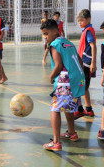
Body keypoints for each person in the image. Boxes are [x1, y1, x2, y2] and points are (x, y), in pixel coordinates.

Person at [41, 20, 85, 151]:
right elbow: (79, 60)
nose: (45, 37)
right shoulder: (68, 43)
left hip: (65, 79)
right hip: (78, 79)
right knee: (69, 106)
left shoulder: (55, 44)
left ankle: (56, 142)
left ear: (56, 31)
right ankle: (72, 133)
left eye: (46, 34)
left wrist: (51, 76)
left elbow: (59, 65)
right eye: (43, 35)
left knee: (55, 108)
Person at [74, 9, 97, 119]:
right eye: (78, 21)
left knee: (79, 86)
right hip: (83, 63)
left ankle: (80, 110)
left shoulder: (88, 31)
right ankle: (88, 109)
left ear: (89, 19)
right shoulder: (86, 30)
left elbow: (93, 46)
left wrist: (93, 62)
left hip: (86, 63)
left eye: (82, 20)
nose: (80, 23)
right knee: (84, 87)